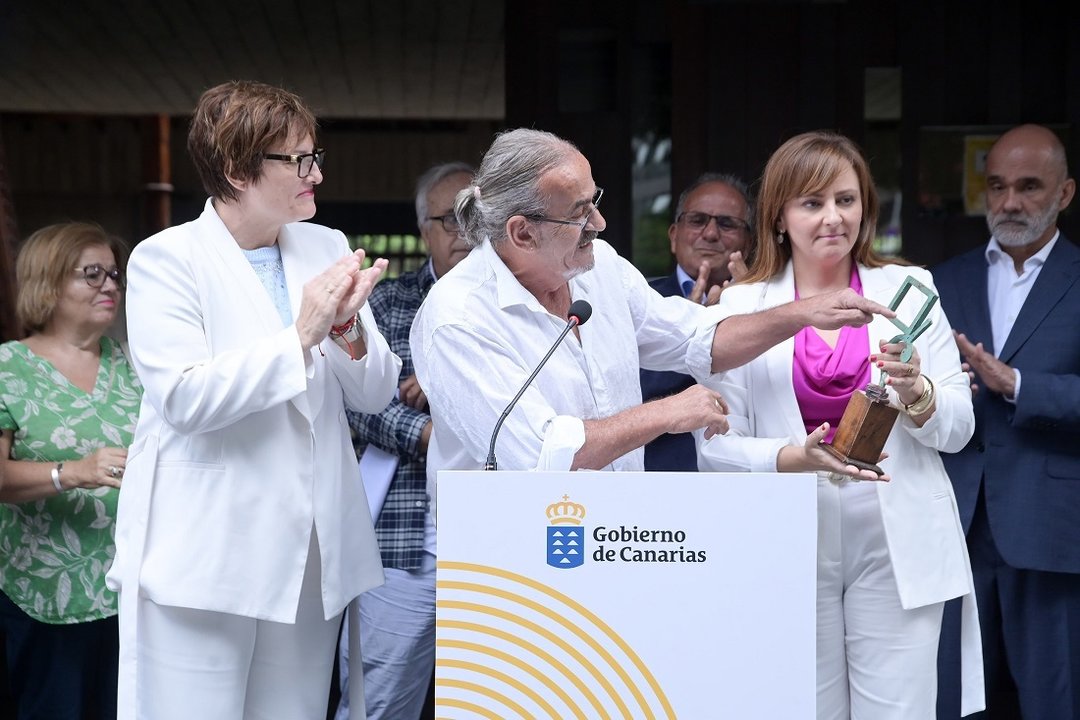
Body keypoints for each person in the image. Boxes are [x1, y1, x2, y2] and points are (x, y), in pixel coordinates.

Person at [105, 81, 401, 719]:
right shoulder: (167, 259)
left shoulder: (324, 245)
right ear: (238, 171)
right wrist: (301, 335)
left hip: (311, 548)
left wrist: (347, 328)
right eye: (298, 161)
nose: (315, 172)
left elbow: (376, 393)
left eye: (314, 155)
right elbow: (185, 398)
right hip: (209, 549)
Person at [410, 127, 893, 498]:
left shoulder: (597, 268)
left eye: (594, 201)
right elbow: (543, 455)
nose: (599, 223)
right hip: (517, 573)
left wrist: (803, 312)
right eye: (580, 212)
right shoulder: (458, 317)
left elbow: (696, 341)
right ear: (521, 233)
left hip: (619, 539)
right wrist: (664, 413)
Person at [695, 130, 984, 718]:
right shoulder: (742, 308)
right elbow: (715, 445)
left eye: (846, 200)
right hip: (787, 531)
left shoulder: (910, 291)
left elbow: (958, 430)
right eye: (812, 203)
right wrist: (791, 458)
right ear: (779, 218)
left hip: (894, 532)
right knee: (802, 708)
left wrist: (917, 392)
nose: (834, 218)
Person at [934, 123, 1080, 719]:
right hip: (954, 521)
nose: (1010, 202)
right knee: (957, 699)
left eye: (1028, 186)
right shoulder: (944, 279)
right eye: (997, 186)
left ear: (1065, 194)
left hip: (1048, 531)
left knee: (1053, 699)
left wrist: (1017, 386)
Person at [335, 161, 474, 720]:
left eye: (477, 216)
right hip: (403, 538)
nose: (466, 232)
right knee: (379, 703)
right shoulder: (387, 302)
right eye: (450, 219)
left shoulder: (541, 305)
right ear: (425, 232)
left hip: (504, 538)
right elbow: (356, 401)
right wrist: (433, 432)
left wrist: (441, 387)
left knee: (513, 691)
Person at [0, 222, 141, 719]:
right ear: (48, 283)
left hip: (133, 593)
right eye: (92, 273)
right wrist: (73, 471)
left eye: (115, 274)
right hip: (42, 596)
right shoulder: (7, 367)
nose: (110, 285)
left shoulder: (135, 366)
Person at [640, 172, 753, 471]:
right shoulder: (639, 301)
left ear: (749, 242)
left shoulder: (770, 306)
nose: (711, 233)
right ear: (674, 236)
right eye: (697, 220)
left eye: (727, 223)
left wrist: (750, 310)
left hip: (745, 482)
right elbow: (620, 398)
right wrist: (685, 330)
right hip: (657, 482)